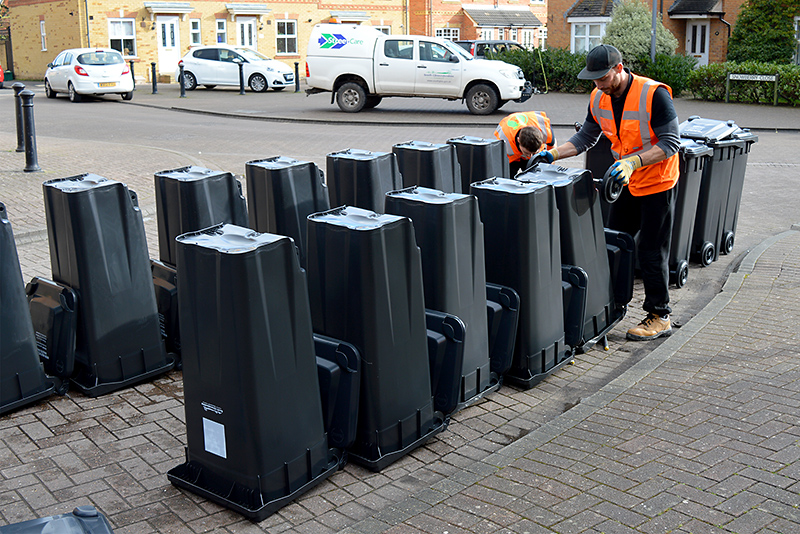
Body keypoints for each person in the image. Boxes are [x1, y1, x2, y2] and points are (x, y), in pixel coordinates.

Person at [537, 44, 681, 341]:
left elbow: (671, 142)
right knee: (615, 243)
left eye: (603, 77)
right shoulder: (598, 98)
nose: (598, 84)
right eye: (594, 79)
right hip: (627, 181)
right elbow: (586, 137)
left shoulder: (654, 94)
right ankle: (612, 303)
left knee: (651, 251)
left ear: (619, 68)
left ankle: (660, 315)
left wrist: (632, 162)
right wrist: (553, 154)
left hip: (657, 183)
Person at [494, 111, 555, 176]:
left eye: (534, 153)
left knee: (538, 176)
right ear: (518, 140)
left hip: (531, 121)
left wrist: (550, 164)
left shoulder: (544, 129)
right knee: (508, 177)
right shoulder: (504, 141)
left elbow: (552, 145)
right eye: (527, 153)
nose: (530, 156)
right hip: (512, 158)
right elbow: (500, 163)